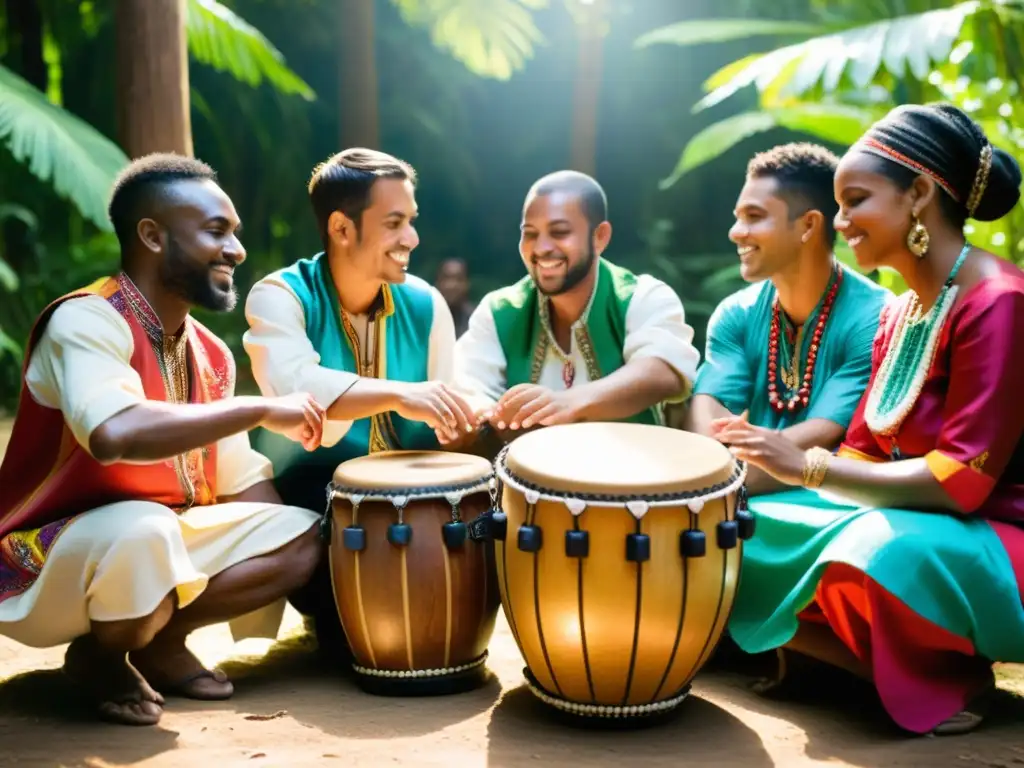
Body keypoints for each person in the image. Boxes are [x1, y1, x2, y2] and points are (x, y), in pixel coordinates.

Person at [715, 104, 1024, 736]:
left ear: (918, 194)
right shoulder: (899, 313)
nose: (840, 221)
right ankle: (846, 661)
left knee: (877, 550)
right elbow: (861, 453)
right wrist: (735, 482)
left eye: (855, 200)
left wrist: (807, 467)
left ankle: (947, 675)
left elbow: (961, 481)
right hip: (911, 517)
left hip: (995, 533)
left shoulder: (999, 303)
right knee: (737, 529)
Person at [0, 154, 328, 727]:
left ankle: (154, 640)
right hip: (47, 556)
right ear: (151, 236)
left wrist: (304, 565)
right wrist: (258, 406)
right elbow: (113, 433)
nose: (236, 250)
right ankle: (101, 658)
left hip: (154, 546)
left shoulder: (209, 351)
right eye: (216, 231)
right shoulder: (86, 320)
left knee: (304, 533)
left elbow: (239, 482)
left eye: (235, 234)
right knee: (146, 531)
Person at [242, 148, 477, 655]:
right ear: (341, 228)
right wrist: (401, 395)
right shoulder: (279, 296)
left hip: (415, 505)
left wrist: (464, 421)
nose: (411, 238)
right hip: (311, 504)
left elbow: (446, 408)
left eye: (411, 221)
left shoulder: (427, 303)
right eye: (394, 223)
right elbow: (298, 390)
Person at [686, 143, 891, 496]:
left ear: (808, 225)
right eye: (738, 216)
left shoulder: (877, 318)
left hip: (829, 501)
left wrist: (720, 471)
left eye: (754, 216)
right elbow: (707, 411)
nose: (736, 231)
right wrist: (717, 460)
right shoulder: (736, 313)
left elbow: (824, 433)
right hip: (735, 485)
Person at [453, 170, 699, 448]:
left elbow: (662, 373)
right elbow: (469, 386)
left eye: (559, 232)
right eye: (530, 234)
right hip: (529, 486)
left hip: (630, 482)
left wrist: (567, 403)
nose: (542, 247)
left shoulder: (642, 296)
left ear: (600, 237)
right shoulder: (500, 311)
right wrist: (484, 414)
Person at [435, 257, 476, 337]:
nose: (452, 285)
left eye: (459, 279)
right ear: (438, 283)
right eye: (446, 278)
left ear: (467, 284)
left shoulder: (476, 319)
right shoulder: (427, 318)